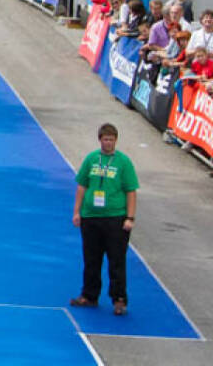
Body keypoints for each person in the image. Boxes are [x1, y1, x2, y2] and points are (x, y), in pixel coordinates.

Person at [70, 123, 139, 316]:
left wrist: (130, 217)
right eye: (105, 139)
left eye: (111, 139)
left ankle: (119, 299)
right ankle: (89, 295)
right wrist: (77, 212)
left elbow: (131, 191)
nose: (108, 142)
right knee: (91, 259)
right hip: (91, 217)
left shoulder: (123, 162)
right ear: (100, 139)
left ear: (115, 141)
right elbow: (82, 186)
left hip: (115, 219)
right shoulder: (92, 159)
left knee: (116, 261)